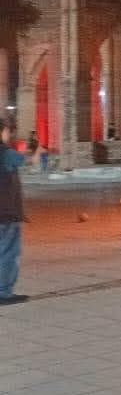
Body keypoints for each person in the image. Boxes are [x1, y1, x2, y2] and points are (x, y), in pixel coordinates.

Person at [0, 121, 28, 305]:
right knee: (9, 252)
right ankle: (4, 292)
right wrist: (36, 150)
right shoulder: (6, 153)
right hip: (6, 213)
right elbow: (28, 159)